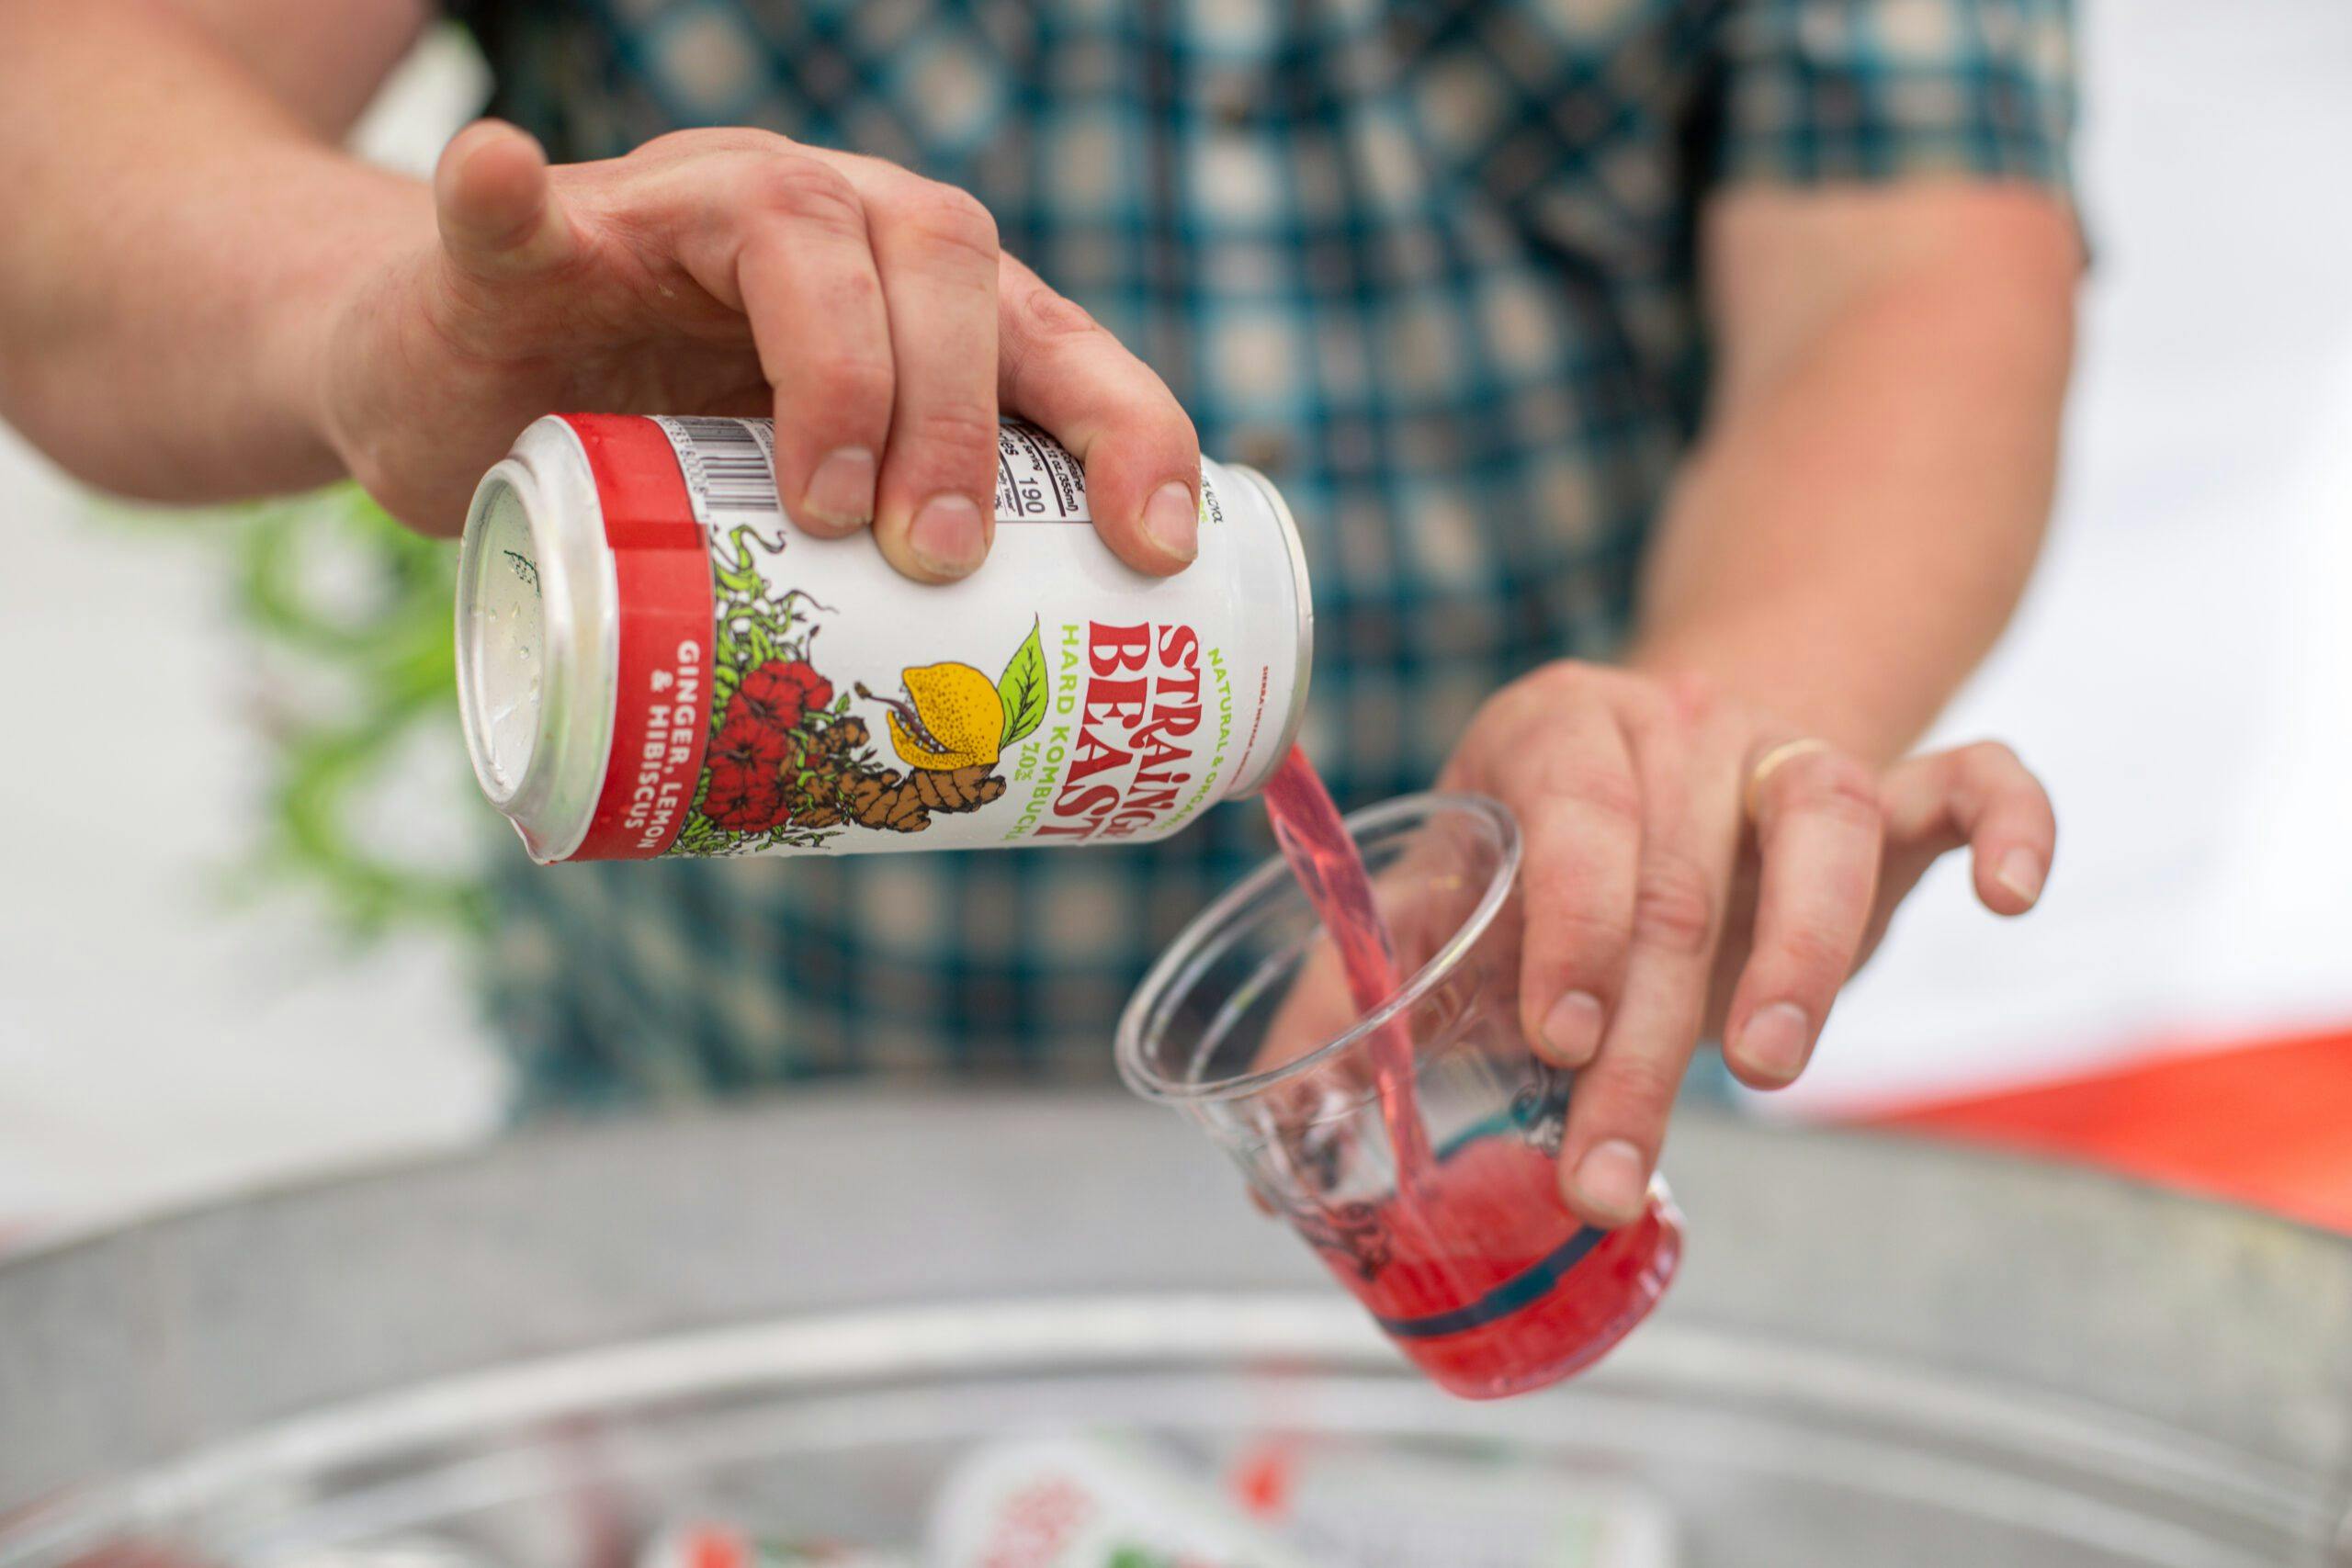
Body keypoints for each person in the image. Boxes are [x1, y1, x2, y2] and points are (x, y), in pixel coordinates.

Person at [0, 0, 2072, 1231]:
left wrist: (1697, 722)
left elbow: (1910, 266)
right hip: (727, 1207)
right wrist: (377, 320)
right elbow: (72, 105)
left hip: (1502, 1106)